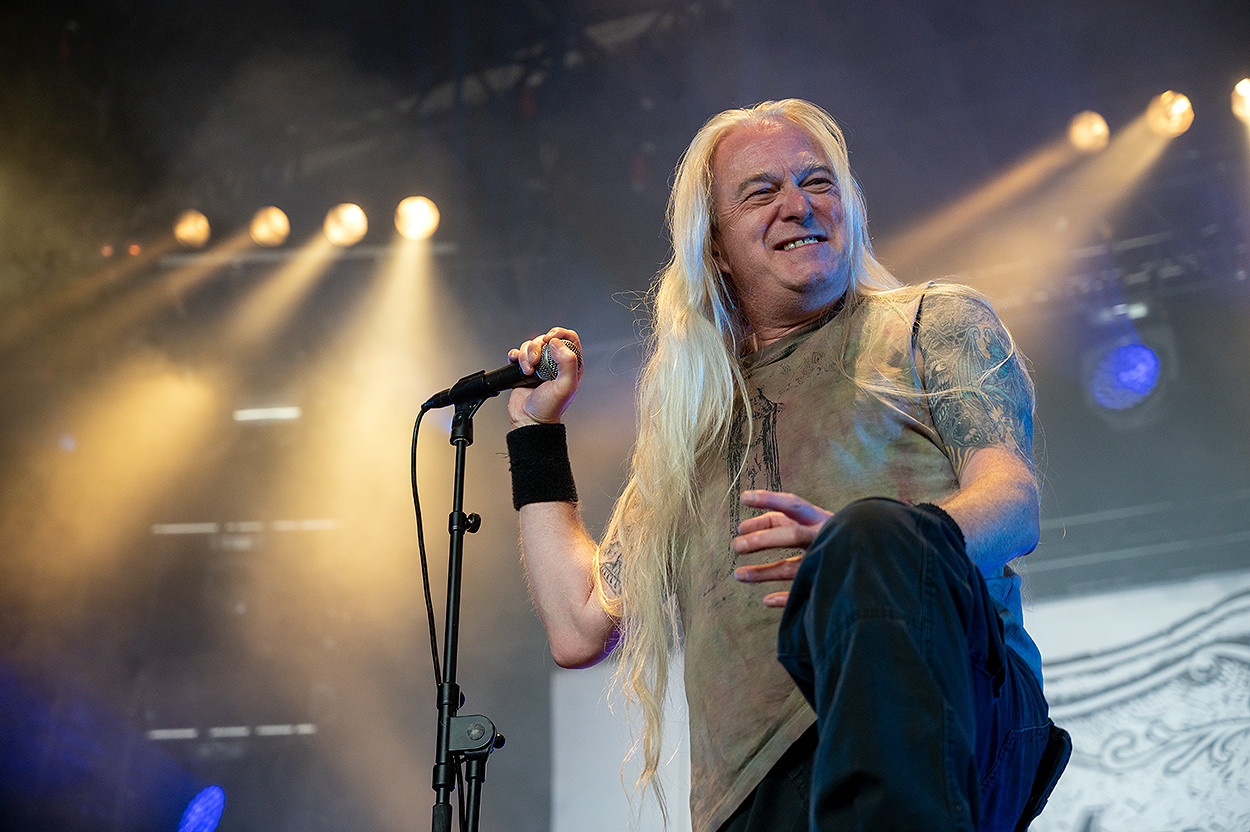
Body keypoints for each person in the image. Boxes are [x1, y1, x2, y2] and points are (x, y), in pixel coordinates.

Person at [502, 99, 1063, 831]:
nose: (798, 205)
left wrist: (873, 555)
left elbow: (1013, 503)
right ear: (714, 246)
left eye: (818, 181)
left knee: (870, 534)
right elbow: (579, 624)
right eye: (761, 192)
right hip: (755, 790)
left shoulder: (930, 323)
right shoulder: (693, 428)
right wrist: (536, 435)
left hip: (948, 713)